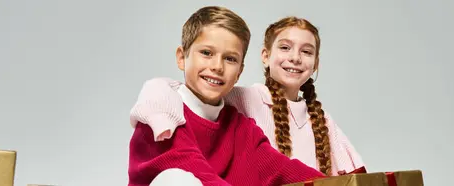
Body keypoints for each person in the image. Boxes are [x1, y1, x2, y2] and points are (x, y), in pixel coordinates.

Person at [130, 16, 365, 176]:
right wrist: (159, 113)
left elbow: (279, 168)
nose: (295, 58)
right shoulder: (245, 97)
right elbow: (170, 89)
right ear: (265, 56)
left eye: (306, 52)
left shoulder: (320, 119)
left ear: (316, 64)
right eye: (285, 47)